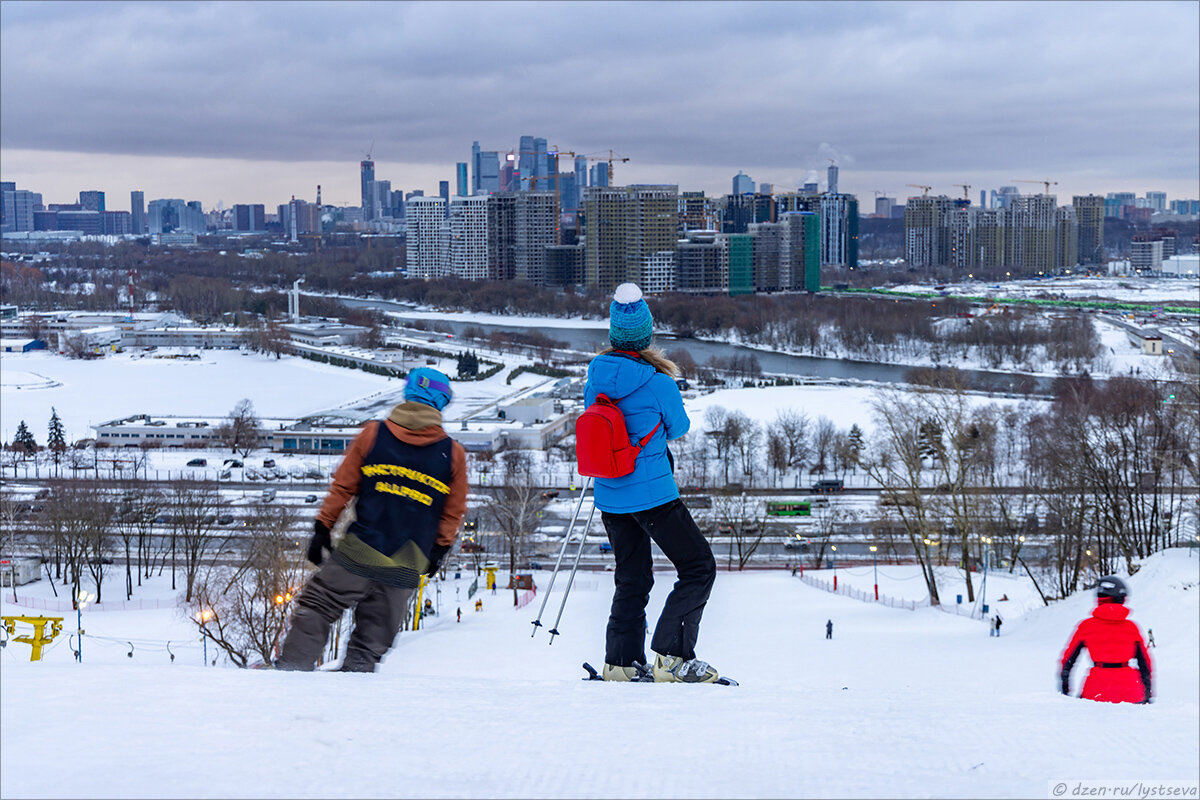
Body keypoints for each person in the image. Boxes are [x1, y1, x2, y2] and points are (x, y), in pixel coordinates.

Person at [275, 368, 467, 672]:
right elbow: (452, 512)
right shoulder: (452, 453)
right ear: (442, 403)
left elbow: (343, 486)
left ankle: (290, 674)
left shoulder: (374, 434)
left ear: (408, 394)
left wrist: (323, 527)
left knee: (318, 606)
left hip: (362, 548)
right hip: (408, 560)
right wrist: (438, 551)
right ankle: (353, 694)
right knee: (371, 640)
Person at [588, 284, 720, 684]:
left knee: (633, 576)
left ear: (614, 335)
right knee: (698, 567)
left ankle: (622, 663)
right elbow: (678, 427)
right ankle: (672, 657)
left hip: (610, 493)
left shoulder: (595, 376)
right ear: (647, 336)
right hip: (652, 495)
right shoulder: (658, 382)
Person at [1059, 576, 1152, 704]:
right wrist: (1147, 694)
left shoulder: (1086, 626)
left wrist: (1065, 691)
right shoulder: (1132, 628)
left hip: (1095, 693)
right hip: (1131, 694)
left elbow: (1067, 661)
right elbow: (1145, 664)